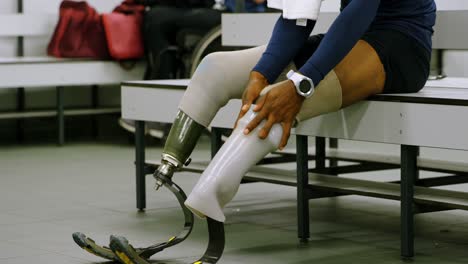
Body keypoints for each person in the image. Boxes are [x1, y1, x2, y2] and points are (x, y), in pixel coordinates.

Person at [154, 0, 437, 222]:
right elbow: (296, 18)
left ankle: (208, 201)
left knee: (271, 104)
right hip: (353, 37)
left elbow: (360, 9)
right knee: (214, 69)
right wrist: (260, 74)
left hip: (401, 45)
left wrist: (302, 83)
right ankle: (168, 165)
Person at [119, 0, 267, 139]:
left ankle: (157, 109)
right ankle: (156, 102)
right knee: (156, 18)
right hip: (218, 8)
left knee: (158, 19)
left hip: (237, 13)